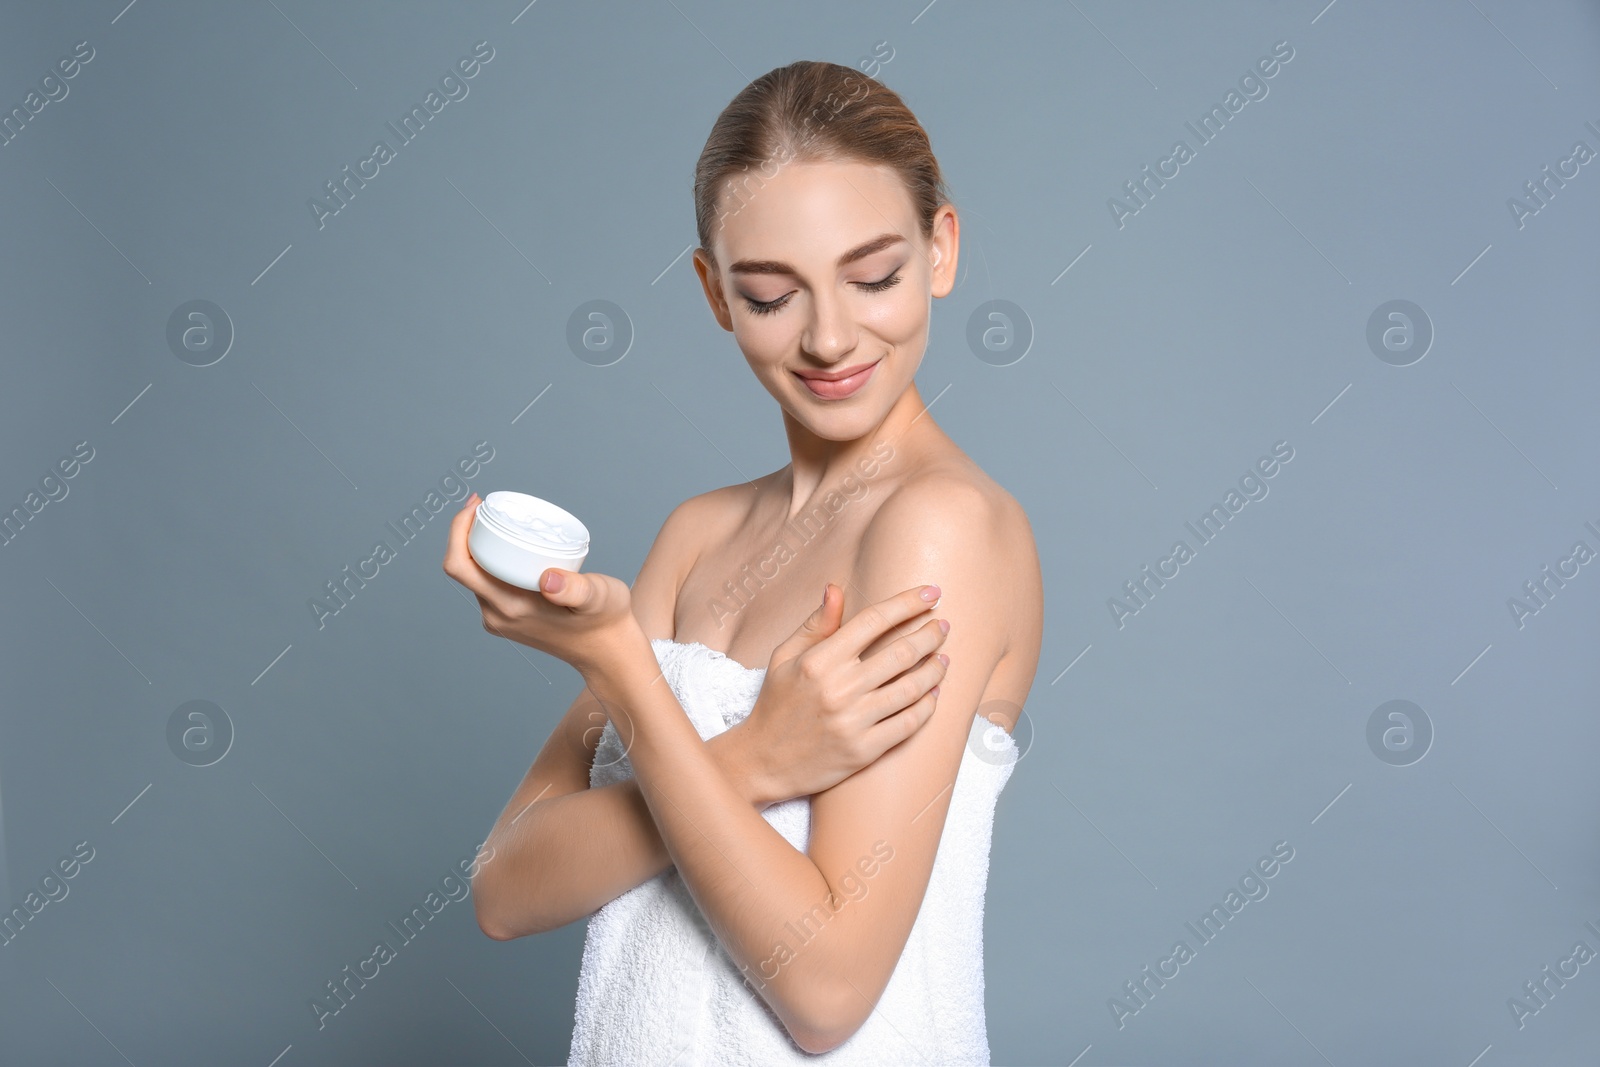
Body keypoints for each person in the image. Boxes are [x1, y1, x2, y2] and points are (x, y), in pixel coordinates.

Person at [443, 58, 1043, 1065]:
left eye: (875, 274)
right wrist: (757, 756)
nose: (829, 335)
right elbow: (504, 887)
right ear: (715, 291)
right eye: (770, 295)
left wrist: (623, 665)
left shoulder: (940, 526)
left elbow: (827, 988)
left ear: (940, 250)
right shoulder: (697, 535)